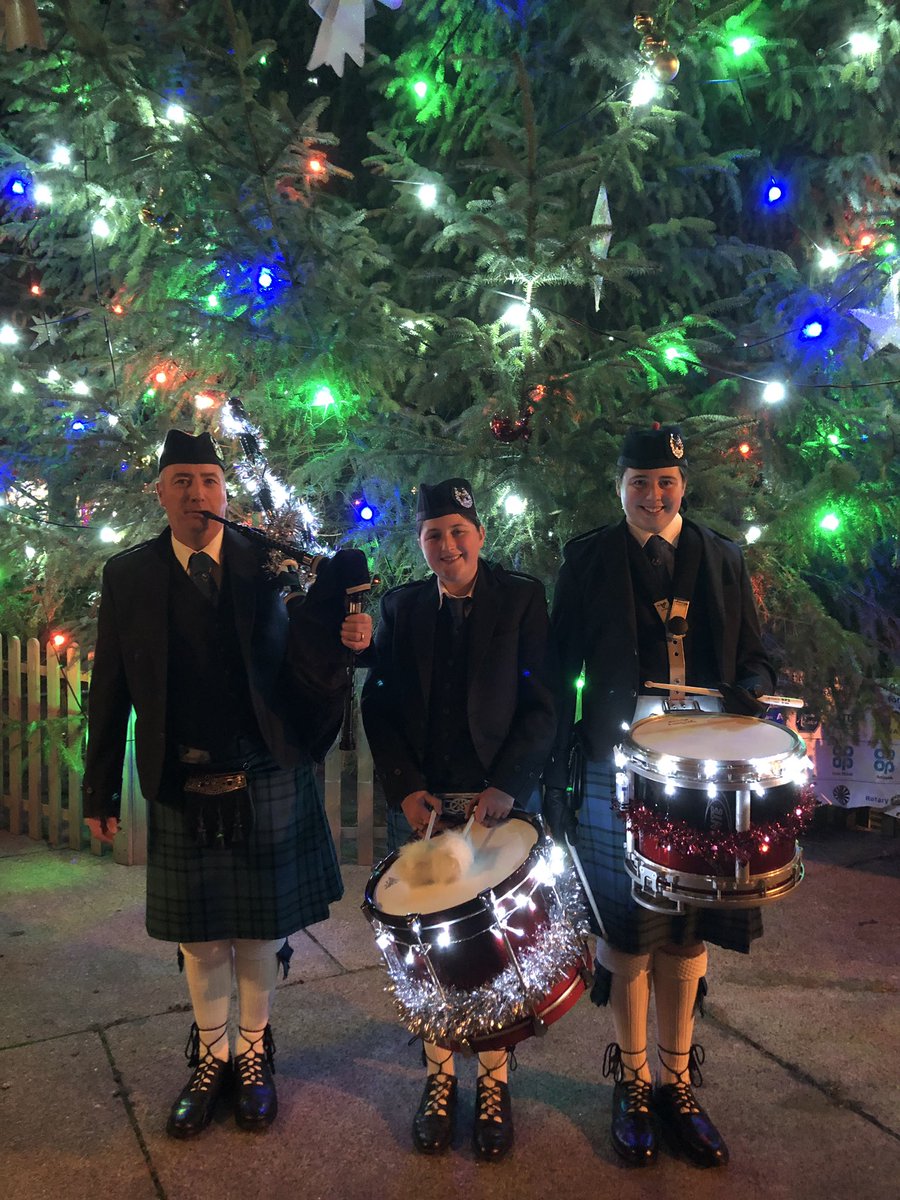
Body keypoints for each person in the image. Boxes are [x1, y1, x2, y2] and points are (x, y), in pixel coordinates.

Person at [83, 429, 372, 1139]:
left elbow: (318, 639)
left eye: (208, 480)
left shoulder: (271, 565)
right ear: (160, 492)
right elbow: (110, 687)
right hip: (183, 773)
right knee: (202, 936)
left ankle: (253, 1051)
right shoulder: (129, 574)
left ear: (224, 491)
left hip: (264, 762)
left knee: (256, 930)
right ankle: (211, 1056)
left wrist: (353, 630)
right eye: (181, 481)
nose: (196, 494)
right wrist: (99, 789)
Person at [545, 424, 776, 1169]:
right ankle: (634, 1082)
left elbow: (756, 658)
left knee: (687, 930)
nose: (653, 496)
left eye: (666, 483)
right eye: (639, 483)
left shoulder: (723, 557)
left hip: (706, 774)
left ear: (684, 486)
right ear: (620, 487)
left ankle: (678, 1083)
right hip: (618, 766)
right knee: (629, 933)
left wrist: (755, 688)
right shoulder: (587, 560)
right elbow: (557, 667)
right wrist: (556, 765)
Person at [361, 478, 556, 1161]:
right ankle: (440, 1079)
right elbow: (379, 704)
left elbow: (542, 703)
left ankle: (495, 1084)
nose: (448, 546)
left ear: (480, 535)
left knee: (495, 956)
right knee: (426, 956)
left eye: (458, 532)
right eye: (433, 535)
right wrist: (405, 789)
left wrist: (507, 785)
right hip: (423, 809)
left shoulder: (522, 599)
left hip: (495, 809)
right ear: (422, 543)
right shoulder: (402, 607)